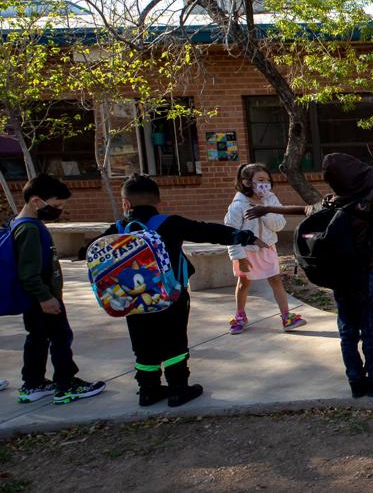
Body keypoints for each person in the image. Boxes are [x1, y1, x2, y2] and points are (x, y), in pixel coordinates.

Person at [247, 154, 373, 398]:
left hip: (339, 278)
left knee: (347, 331)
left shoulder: (329, 204)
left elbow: (302, 209)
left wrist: (267, 208)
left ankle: (355, 380)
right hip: (362, 278)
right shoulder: (361, 205)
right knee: (370, 328)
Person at [98, 174, 265, 407]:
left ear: (126, 204)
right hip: (171, 296)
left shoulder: (117, 229)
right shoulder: (169, 223)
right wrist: (243, 236)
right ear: (158, 202)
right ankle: (178, 388)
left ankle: (148, 390)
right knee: (174, 339)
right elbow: (205, 231)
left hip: (134, 300)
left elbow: (91, 253)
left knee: (143, 342)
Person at [12, 174, 105, 404]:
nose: (59, 209)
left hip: (36, 299)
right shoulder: (30, 230)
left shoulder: (21, 224)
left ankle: (33, 383)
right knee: (61, 337)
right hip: (44, 299)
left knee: (37, 338)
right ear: (36, 201)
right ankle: (66, 383)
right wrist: (46, 298)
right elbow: (28, 272)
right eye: (56, 205)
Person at [223, 163, 306, 334]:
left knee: (276, 280)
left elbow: (279, 224)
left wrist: (266, 211)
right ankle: (240, 316)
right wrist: (239, 257)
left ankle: (286, 317)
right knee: (243, 283)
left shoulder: (271, 199)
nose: (265, 184)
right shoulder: (238, 205)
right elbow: (231, 233)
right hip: (246, 252)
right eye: (260, 180)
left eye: (267, 180)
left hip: (267, 248)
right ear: (246, 182)